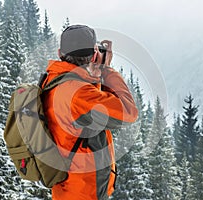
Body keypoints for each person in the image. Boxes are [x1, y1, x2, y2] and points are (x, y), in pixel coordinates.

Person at [41, 24, 138, 200]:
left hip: (68, 188)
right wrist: (107, 69)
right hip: (84, 190)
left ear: (60, 54)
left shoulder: (54, 79)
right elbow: (128, 112)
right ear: (94, 55)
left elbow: (87, 114)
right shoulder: (78, 93)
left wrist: (95, 75)